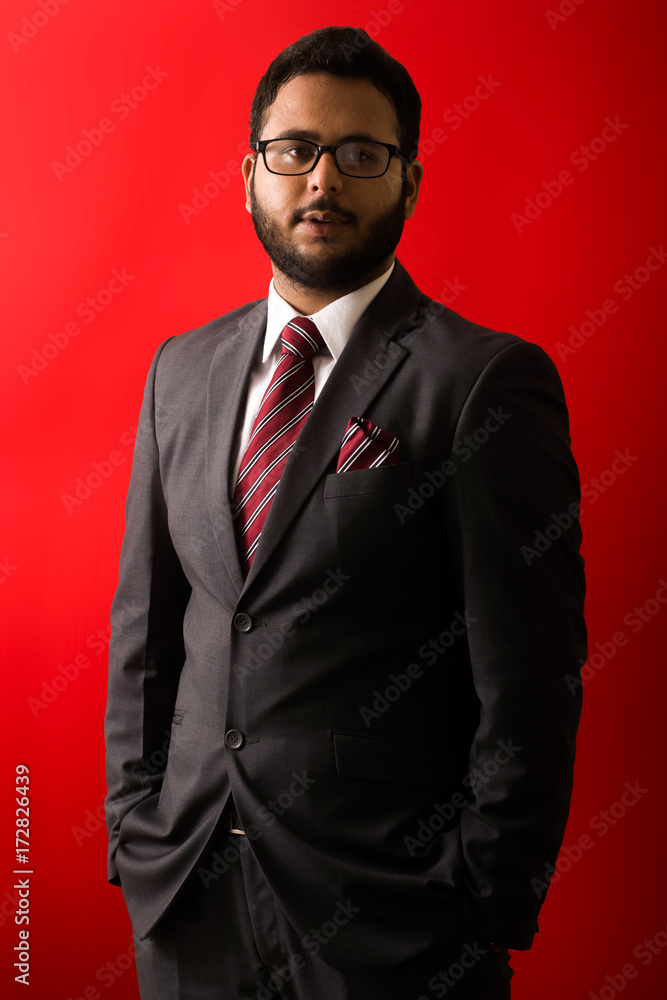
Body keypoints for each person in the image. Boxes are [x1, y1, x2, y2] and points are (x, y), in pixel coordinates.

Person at [104, 25, 587, 1000]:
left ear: (408, 182)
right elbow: (146, 636)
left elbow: (531, 675)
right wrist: (134, 830)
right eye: (294, 151)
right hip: (190, 905)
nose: (322, 180)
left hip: (391, 927)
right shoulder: (180, 372)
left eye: (360, 154)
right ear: (250, 176)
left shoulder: (482, 380)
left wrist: (480, 898)